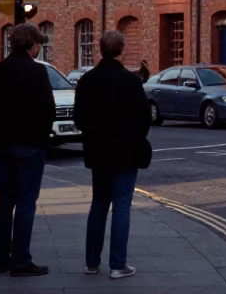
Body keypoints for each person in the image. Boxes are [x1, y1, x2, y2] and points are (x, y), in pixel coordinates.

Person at [0, 23, 55, 277]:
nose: (39, 49)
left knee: (5, 201)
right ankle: (21, 260)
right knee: (26, 203)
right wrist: (41, 134)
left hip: (6, 144)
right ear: (32, 45)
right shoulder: (37, 72)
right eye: (38, 45)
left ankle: (1, 259)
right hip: (31, 145)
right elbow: (48, 110)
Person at [75, 30, 152, 280]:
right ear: (122, 50)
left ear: (100, 50)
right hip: (126, 152)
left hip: (98, 153)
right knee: (121, 207)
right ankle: (118, 265)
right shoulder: (130, 81)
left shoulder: (87, 80)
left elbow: (79, 119)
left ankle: (91, 263)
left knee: (98, 204)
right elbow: (143, 118)